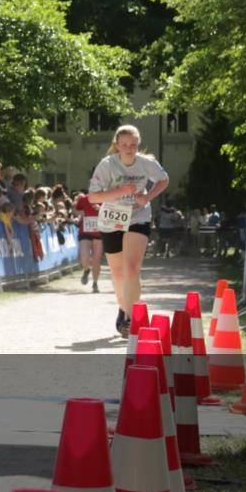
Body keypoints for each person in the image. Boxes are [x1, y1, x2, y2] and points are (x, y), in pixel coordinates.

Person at [87, 125, 169, 337]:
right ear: (117, 145)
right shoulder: (107, 165)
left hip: (137, 216)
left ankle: (134, 319)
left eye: (133, 145)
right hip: (112, 217)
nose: (129, 149)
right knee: (117, 273)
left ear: (138, 145)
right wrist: (120, 191)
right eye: (124, 145)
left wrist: (147, 197)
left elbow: (163, 179)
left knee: (131, 269)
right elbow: (93, 197)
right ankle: (124, 309)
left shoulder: (146, 163)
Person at [74, 192, 103, 293]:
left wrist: (101, 210)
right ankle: (86, 270)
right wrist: (79, 213)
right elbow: (75, 209)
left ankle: (95, 284)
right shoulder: (83, 199)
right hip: (85, 231)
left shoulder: (106, 199)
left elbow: (111, 212)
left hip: (100, 232)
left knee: (96, 259)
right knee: (84, 255)